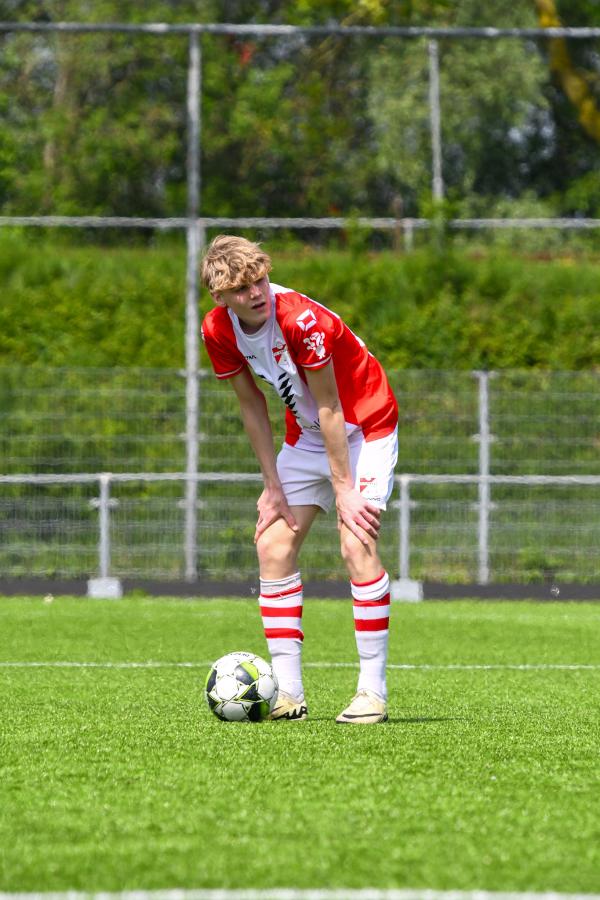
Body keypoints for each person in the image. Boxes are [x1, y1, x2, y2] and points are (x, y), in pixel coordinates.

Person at [200, 235, 398, 724]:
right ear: (221, 297)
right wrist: (272, 485)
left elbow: (330, 406)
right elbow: (252, 405)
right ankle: (288, 694)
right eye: (242, 288)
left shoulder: (301, 320)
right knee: (272, 544)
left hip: (362, 427)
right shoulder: (216, 330)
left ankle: (372, 692)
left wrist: (344, 489)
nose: (256, 292)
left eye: (260, 279)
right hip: (308, 435)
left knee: (356, 543)